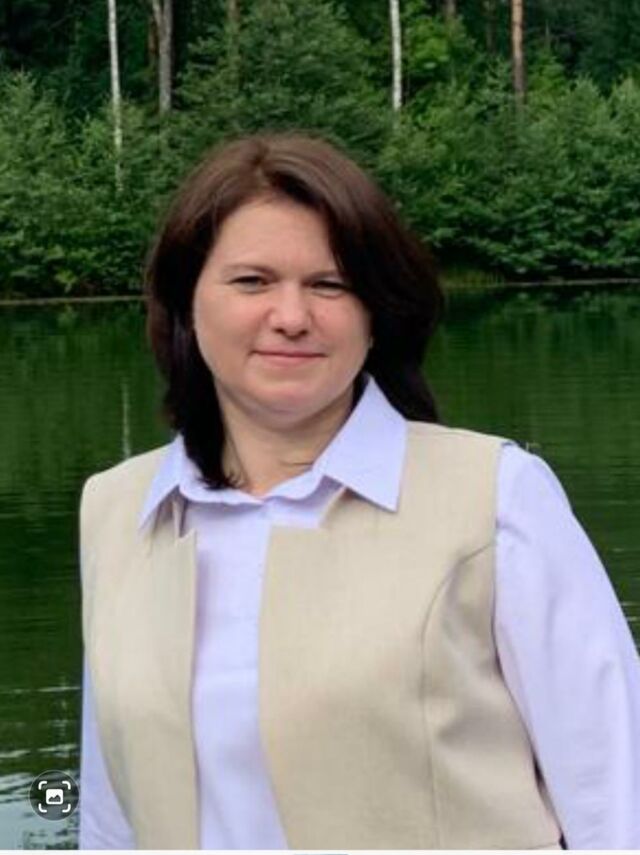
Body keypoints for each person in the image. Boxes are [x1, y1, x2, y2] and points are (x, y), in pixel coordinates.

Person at [78, 133, 640, 850]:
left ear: (376, 312)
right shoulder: (116, 511)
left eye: (330, 285)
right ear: (186, 304)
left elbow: (616, 797)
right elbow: (109, 815)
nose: (292, 316)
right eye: (252, 281)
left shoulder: (494, 497)